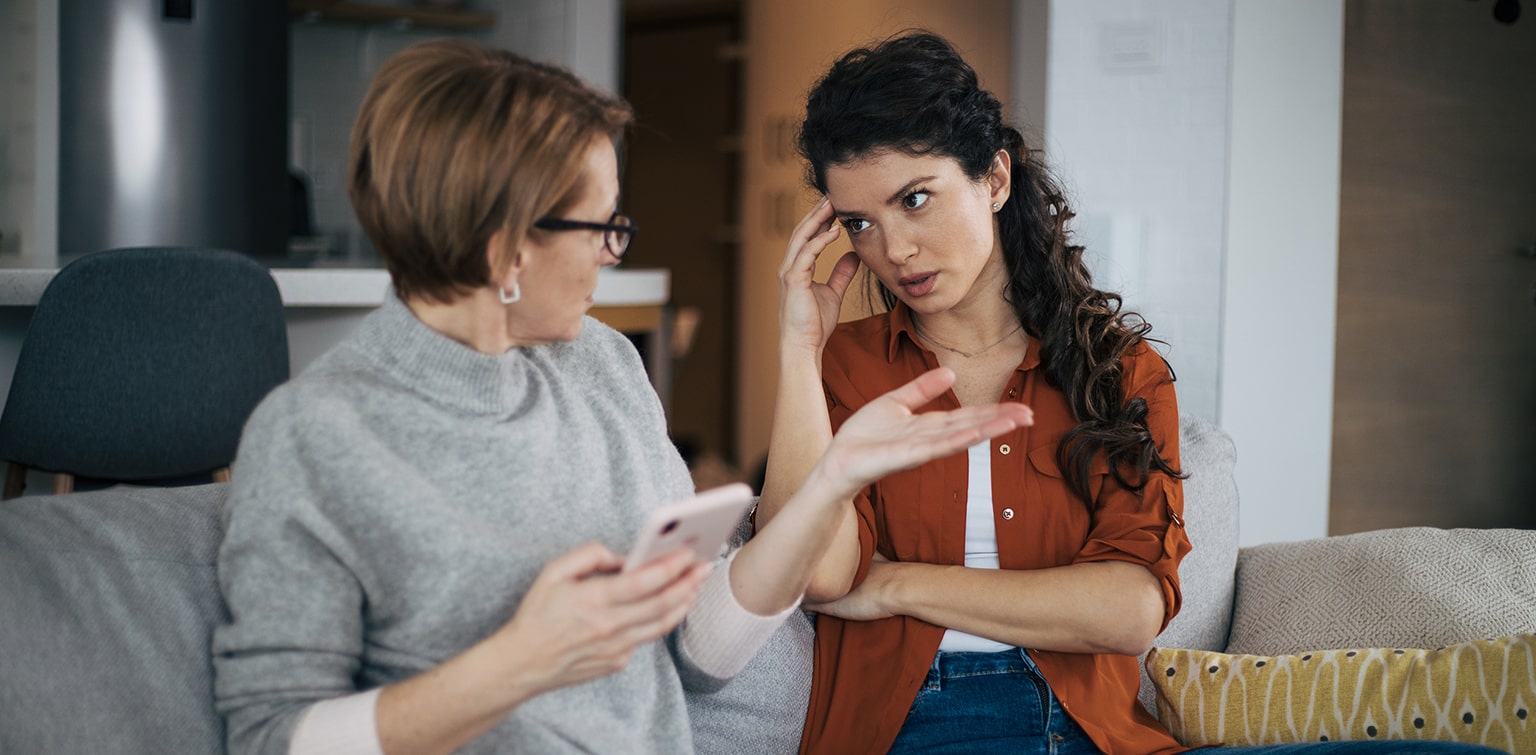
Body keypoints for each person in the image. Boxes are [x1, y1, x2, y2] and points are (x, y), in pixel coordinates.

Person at [211, 39, 1033, 755]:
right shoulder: (317, 433)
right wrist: (521, 661)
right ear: (507, 250)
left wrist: (830, 484)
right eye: (602, 226)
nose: (614, 252)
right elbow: (267, 735)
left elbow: (698, 655)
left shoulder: (602, 365)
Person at [758, 31, 1503, 755]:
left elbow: (1128, 610)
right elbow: (819, 574)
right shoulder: (847, 367)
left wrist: (893, 586)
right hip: (918, 726)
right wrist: (799, 347)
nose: (894, 250)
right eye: (860, 222)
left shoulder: (1118, 370)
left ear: (994, 178)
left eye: (915, 200)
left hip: (1090, 731)